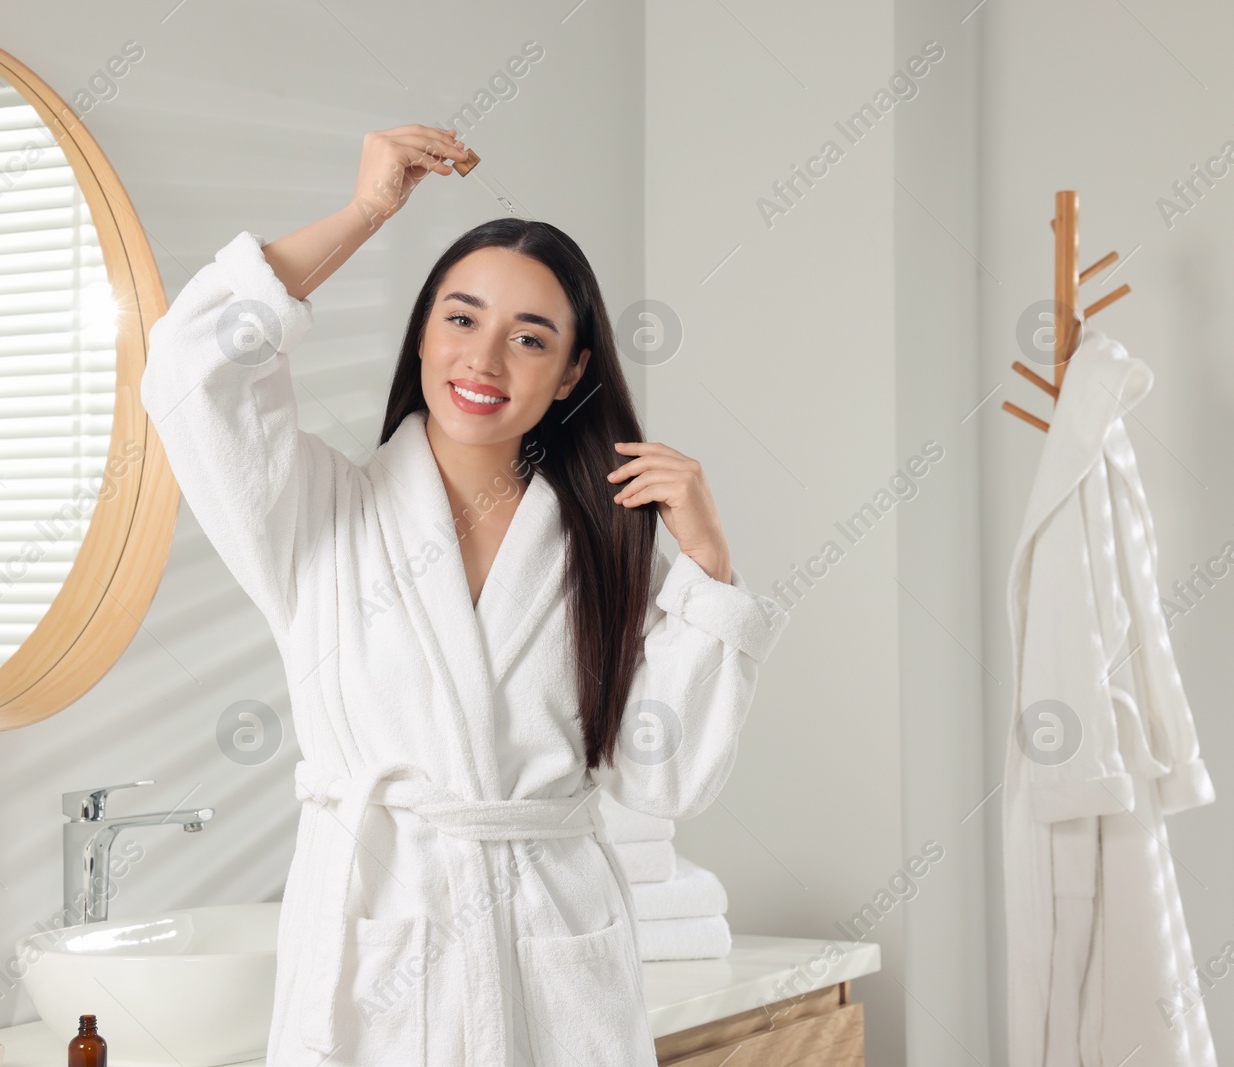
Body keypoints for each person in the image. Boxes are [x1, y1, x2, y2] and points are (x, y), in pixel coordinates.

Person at [140, 124, 788, 1067]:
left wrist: (709, 571)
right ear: (423, 332)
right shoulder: (316, 516)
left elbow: (666, 781)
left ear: (572, 374)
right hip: (379, 974)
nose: (484, 360)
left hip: (555, 984)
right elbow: (190, 365)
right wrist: (367, 213)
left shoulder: (609, 541)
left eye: (530, 338)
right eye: (461, 318)